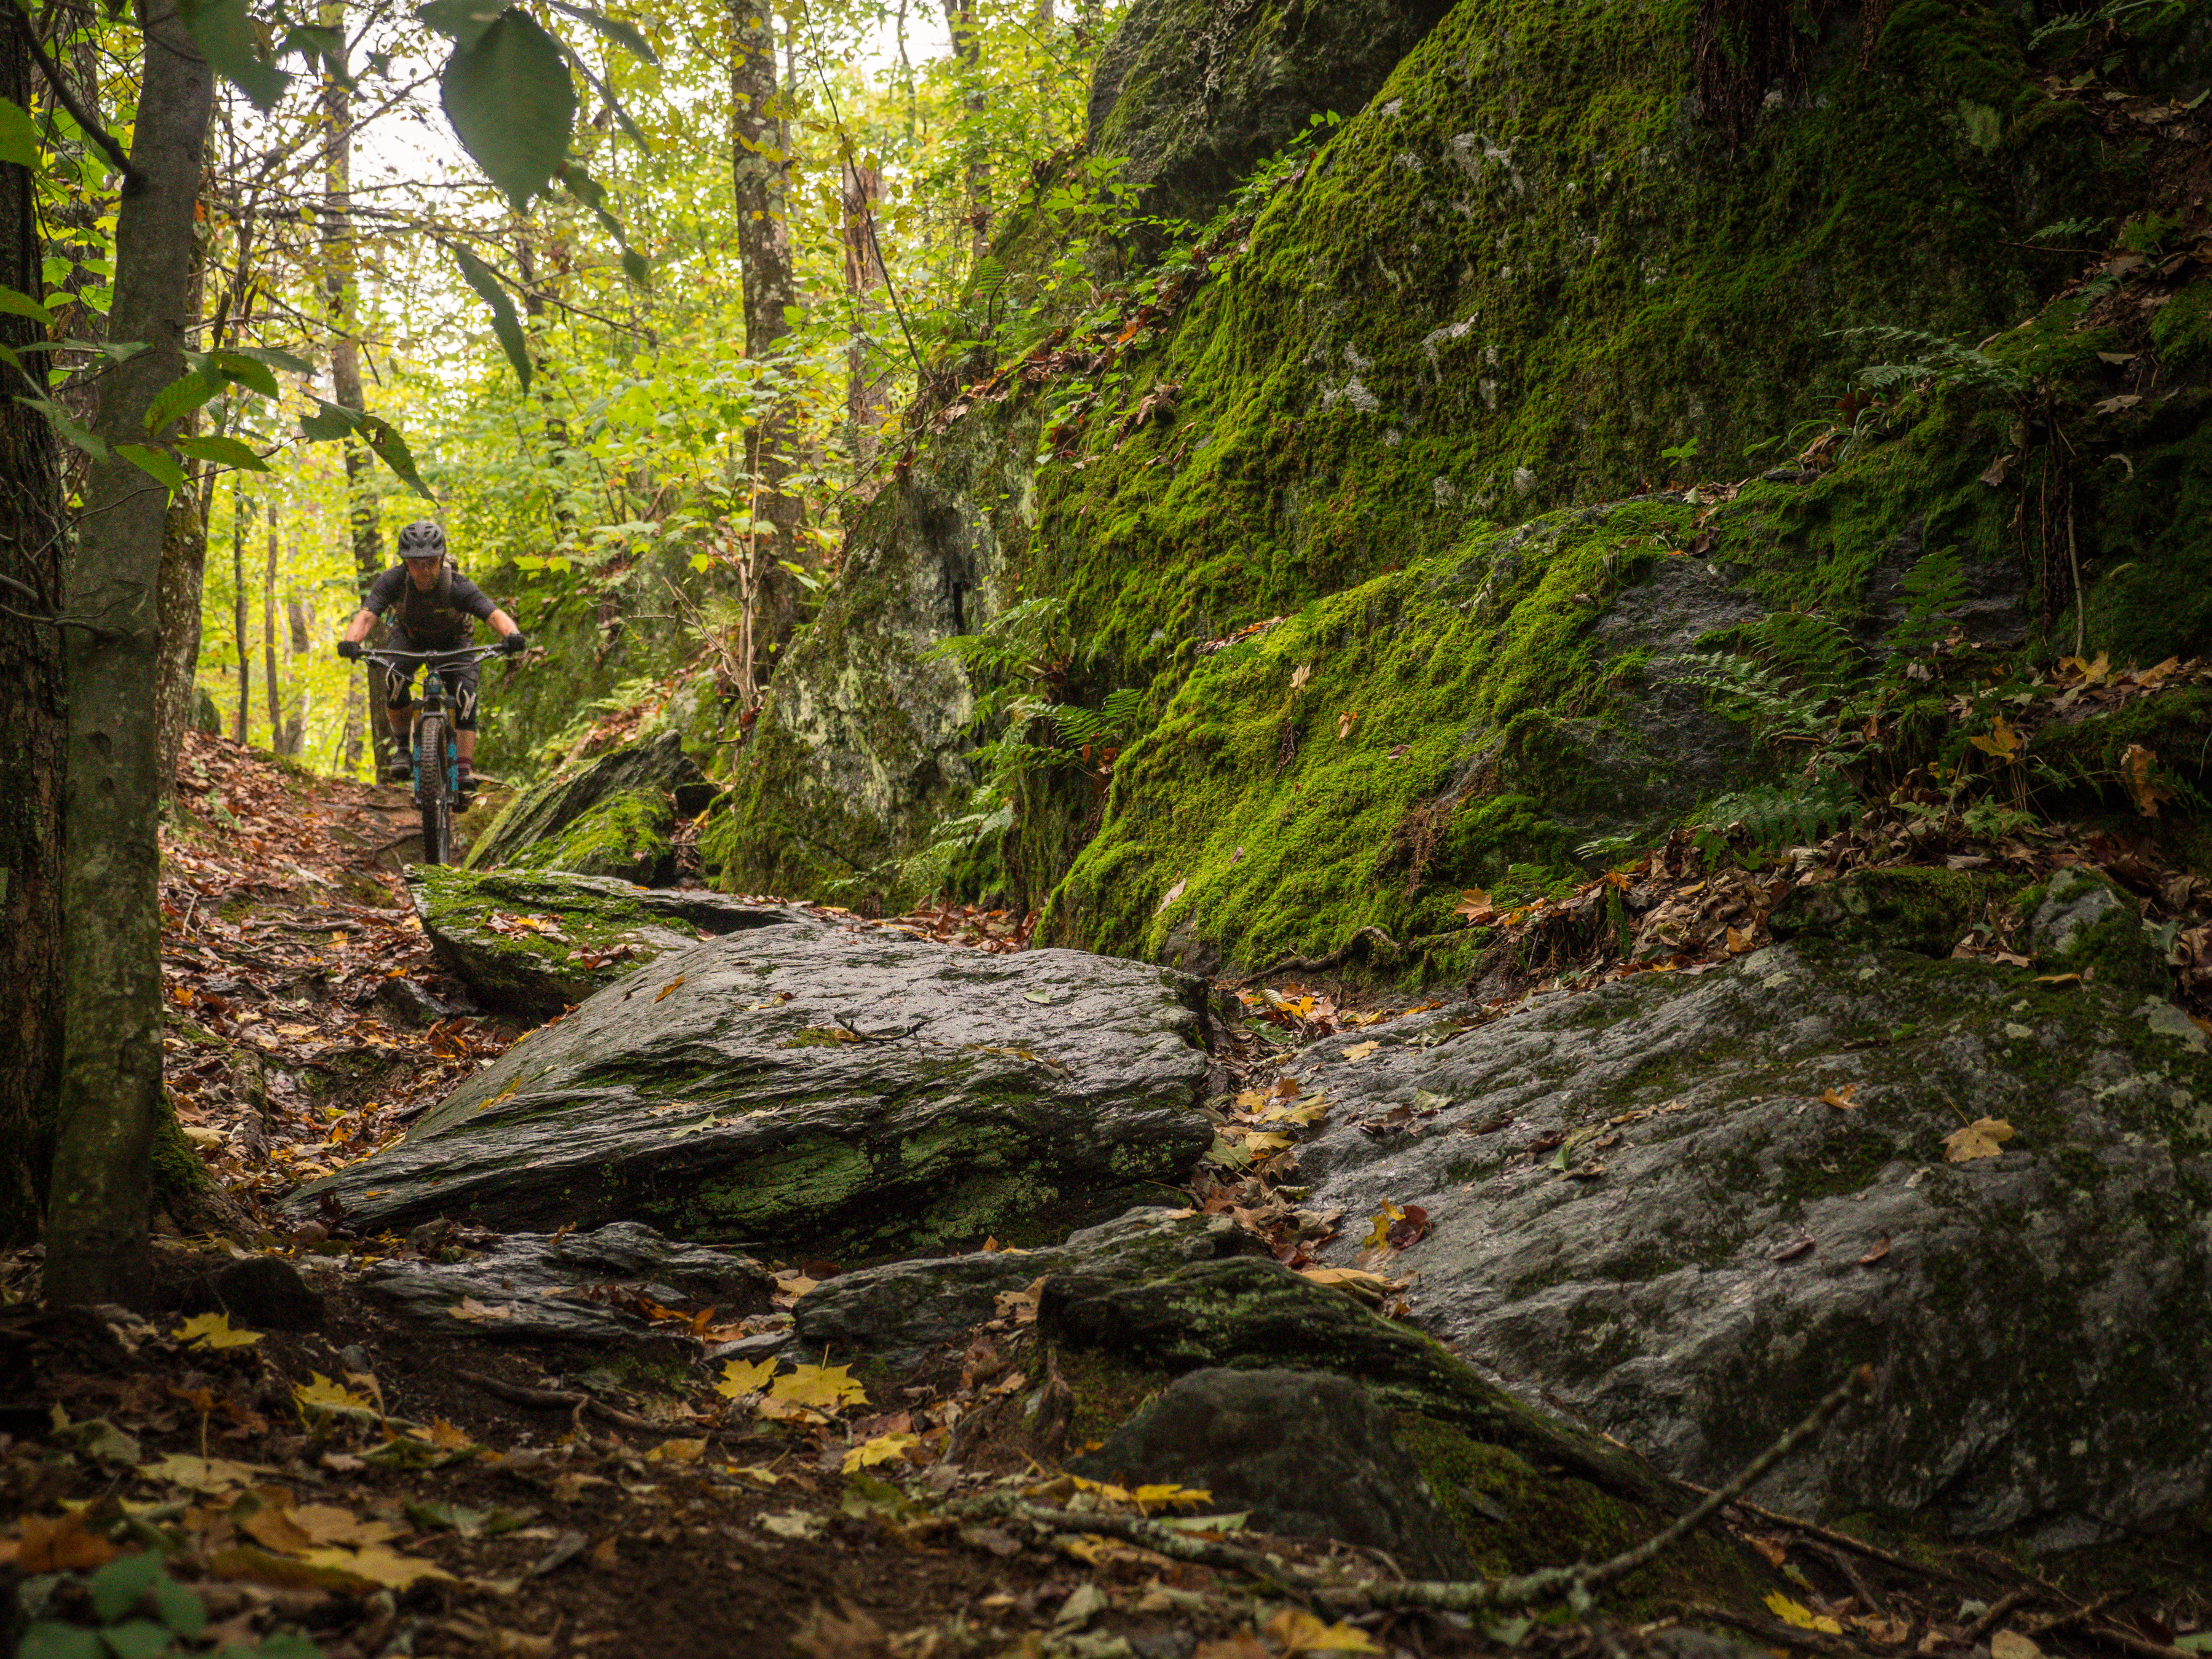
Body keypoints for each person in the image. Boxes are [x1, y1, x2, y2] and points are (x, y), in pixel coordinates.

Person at [337, 520, 527, 796]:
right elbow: (367, 616)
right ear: (406, 563)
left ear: (441, 559)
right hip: (409, 638)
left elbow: (493, 614)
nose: (424, 570)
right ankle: (403, 748)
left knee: (466, 691)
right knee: (394, 676)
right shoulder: (394, 581)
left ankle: (463, 770)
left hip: (455, 641)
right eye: (416, 563)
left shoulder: (458, 585)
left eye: (430, 562)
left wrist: (513, 635)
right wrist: (351, 642)